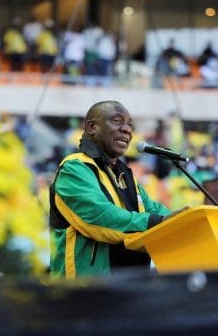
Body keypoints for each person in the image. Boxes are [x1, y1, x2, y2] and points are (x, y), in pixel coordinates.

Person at [49, 101, 171, 279]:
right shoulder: (74, 168)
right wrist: (157, 222)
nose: (127, 130)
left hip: (131, 287)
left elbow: (154, 209)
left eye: (130, 125)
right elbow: (99, 218)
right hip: (83, 293)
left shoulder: (124, 174)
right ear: (92, 127)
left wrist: (186, 219)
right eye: (117, 121)